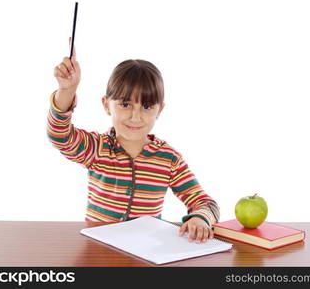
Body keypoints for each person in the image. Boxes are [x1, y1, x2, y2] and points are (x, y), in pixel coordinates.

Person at [47, 38, 220, 243]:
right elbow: (59, 134)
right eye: (125, 104)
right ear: (106, 105)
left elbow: (205, 203)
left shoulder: (169, 159)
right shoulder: (97, 148)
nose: (135, 117)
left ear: (160, 110)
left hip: (144, 254)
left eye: (147, 107)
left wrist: (200, 219)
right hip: (96, 252)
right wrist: (67, 90)